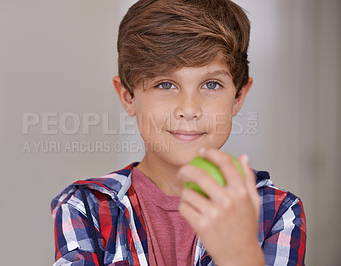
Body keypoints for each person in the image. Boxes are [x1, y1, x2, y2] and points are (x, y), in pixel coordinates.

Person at [51, 0, 307, 265]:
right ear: (127, 96)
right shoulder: (85, 206)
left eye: (211, 84)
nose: (188, 109)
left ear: (239, 96)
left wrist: (241, 254)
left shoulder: (278, 212)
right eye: (165, 84)